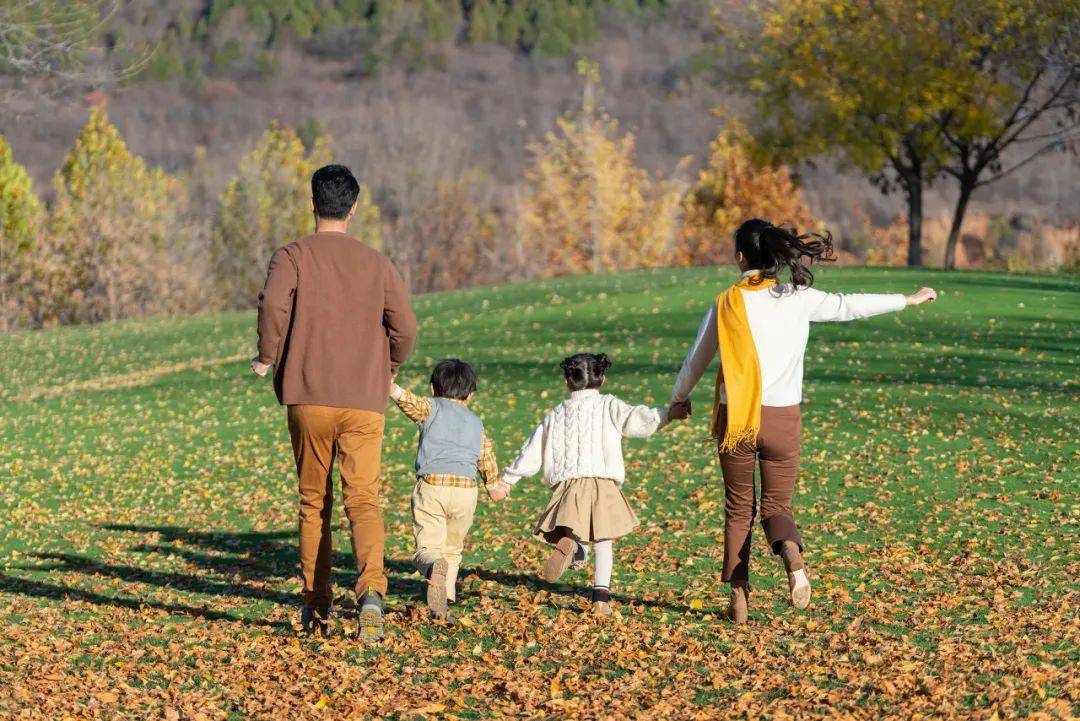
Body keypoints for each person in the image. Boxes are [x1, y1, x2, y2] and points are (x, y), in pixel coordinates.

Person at [670, 218, 937, 624]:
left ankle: (739, 600)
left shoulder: (726, 303)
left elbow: (696, 361)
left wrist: (679, 399)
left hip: (737, 417)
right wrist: (907, 299)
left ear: (740, 257)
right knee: (778, 506)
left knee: (739, 509)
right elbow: (850, 305)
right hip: (783, 419)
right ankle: (792, 558)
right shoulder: (796, 297)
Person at [253, 164, 417, 640]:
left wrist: (267, 356)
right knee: (363, 500)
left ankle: (316, 605)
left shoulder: (292, 256)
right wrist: (389, 368)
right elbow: (404, 327)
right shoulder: (377, 263)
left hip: (308, 396)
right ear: (354, 208)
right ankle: (370, 594)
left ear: (312, 204)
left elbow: (272, 306)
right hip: (365, 401)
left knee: (313, 502)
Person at [491, 353, 690, 617]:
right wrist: (667, 415)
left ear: (566, 382)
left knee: (576, 529)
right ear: (602, 378)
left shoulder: (555, 414)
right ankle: (600, 599)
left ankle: (575, 548)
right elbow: (636, 420)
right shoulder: (609, 406)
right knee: (604, 540)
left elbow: (532, 450)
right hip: (602, 482)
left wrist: (507, 481)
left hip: (568, 485)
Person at [388, 359, 500, 621]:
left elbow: (410, 403)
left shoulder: (431, 407)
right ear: (471, 394)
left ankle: (431, 568)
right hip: (466, 491)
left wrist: (392, 389)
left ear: (432, 387)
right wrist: (492, 485)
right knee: (453, 549)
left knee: (427, 548)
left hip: (433, 485)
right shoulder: (476, 421)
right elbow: (486, 453)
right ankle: (443, 604)